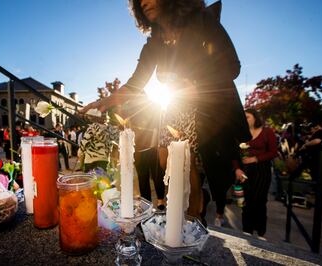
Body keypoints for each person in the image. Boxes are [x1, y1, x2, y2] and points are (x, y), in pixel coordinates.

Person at [81, 0, 251, 219]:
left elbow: (232, 66)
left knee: (189, 164)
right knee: (167, 163)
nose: (143, 3)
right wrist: (108, 100)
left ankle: (193, 215)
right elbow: (136, 82)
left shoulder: (202, 20)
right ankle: (184, 210)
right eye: (138, 2)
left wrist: (196, 82)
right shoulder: (154, 44)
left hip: (207, 108)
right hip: (174, 107)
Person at [234, 109, 278, 237]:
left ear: (255, 118)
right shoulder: (241, 134)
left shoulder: (267, 132)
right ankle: (247, 232)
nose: (245, 119)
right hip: (243, 172)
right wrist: (237, 169)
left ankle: (260, 232)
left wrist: (255, 159)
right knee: (243, 202)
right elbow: (234, 154)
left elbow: (273, 152)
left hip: (261, 171)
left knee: (259, 202)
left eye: (247, 117)